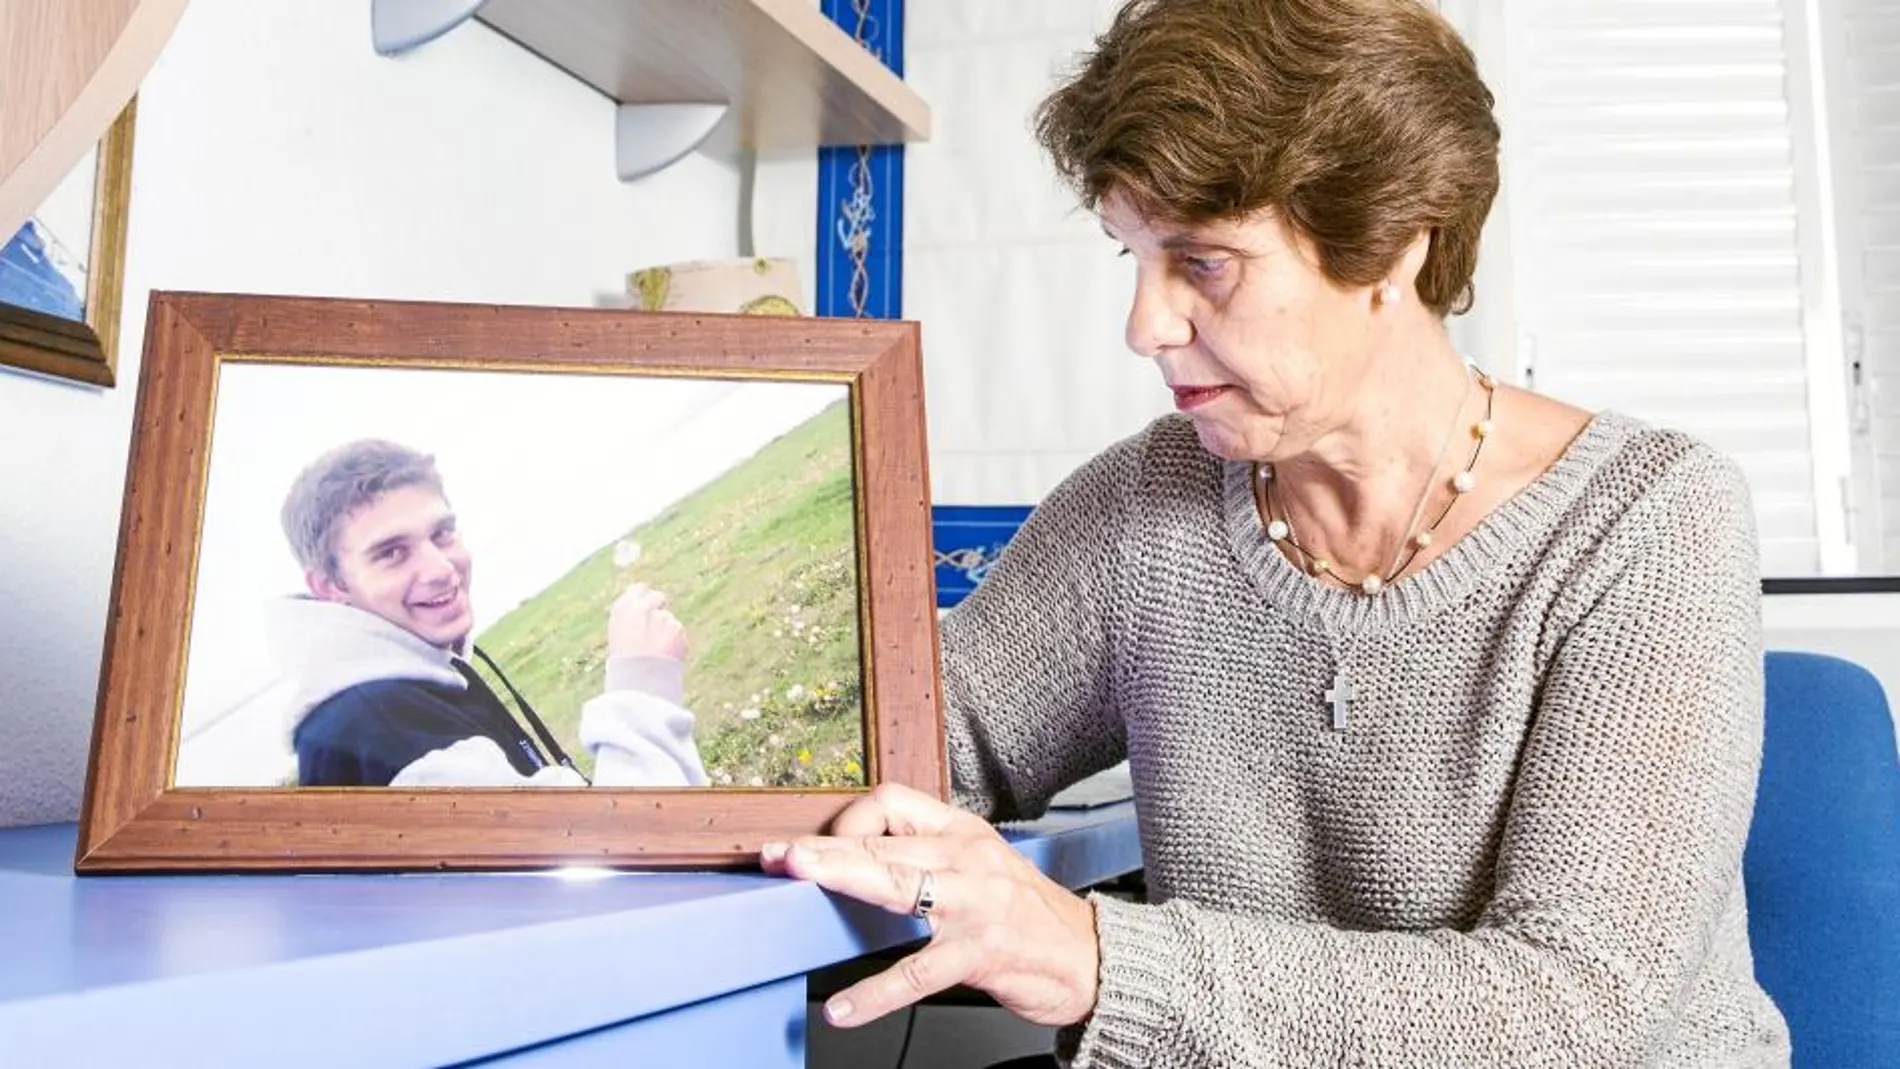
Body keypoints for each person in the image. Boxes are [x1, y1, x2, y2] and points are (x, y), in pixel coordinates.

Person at [760, 0, 1794, 1065]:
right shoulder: (1140, 509)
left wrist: (1095, 959)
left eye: (1202, 262)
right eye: (1133, 257)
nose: (1145, 326)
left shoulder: (1646, 518)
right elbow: (917, 741)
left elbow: (1580, 1010)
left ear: (1390, 240)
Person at [273, 438, 708, 788]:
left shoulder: (408, 678)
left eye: (442, 533)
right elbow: (621, 861)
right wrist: (642, 684)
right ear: (331, 586)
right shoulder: (380, 726)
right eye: (391, 553)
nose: (441, 570)